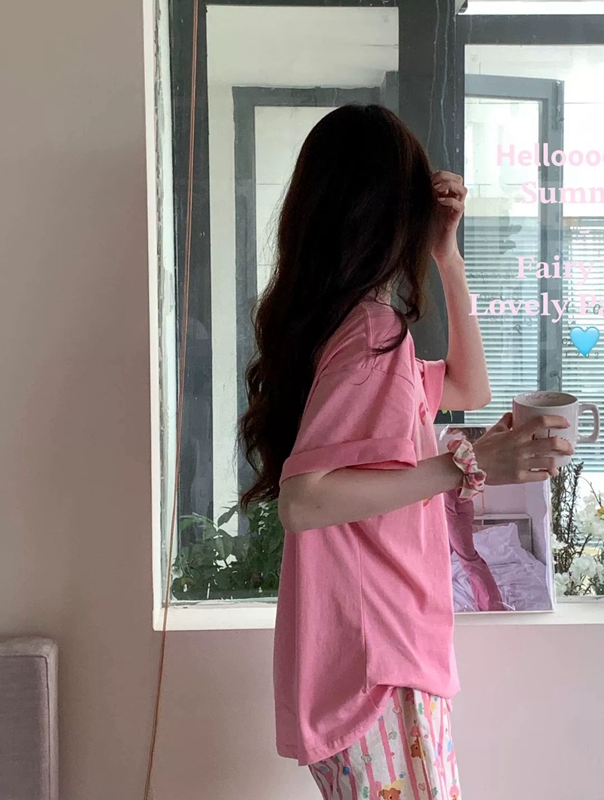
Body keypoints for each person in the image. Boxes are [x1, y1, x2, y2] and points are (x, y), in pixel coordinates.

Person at [238, 104, 572, 800]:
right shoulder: (370, 336)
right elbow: (304, 502)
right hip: (380, 666)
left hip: (374, 659)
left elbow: (470, 387)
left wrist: (448, 258)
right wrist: (462, 468)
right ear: (392, 213)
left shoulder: (344, 329)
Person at [443, 427, 510, 612]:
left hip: (455, 512)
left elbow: (451, 490)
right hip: (454, 510)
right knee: (444, 555)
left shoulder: (463, 456)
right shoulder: (467, 459)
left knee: (469, 559)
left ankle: (493, 606)